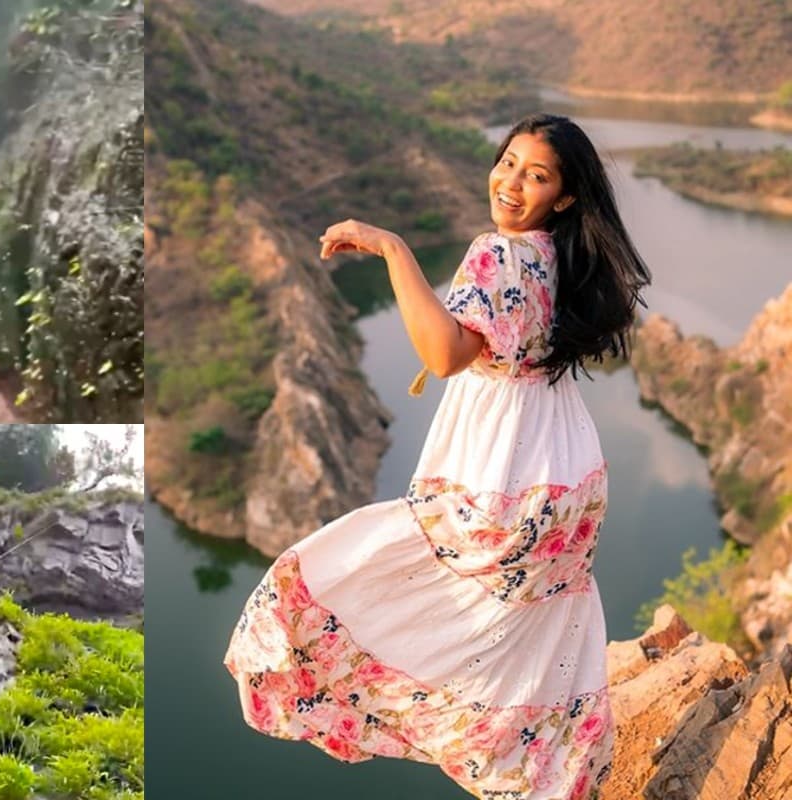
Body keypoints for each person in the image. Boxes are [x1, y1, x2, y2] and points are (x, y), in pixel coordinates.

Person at [223, 113, 651, 799]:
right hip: (568, 474)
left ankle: (501, 764)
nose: (511, 183)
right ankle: (547, 775)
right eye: (508, 162)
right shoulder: (564, 258)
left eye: (535, 175)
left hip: (499, 471)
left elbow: (446, 355)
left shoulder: (497, 254)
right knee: (534, 640)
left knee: (326, 578)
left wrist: (393, 249)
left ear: (564, 196)